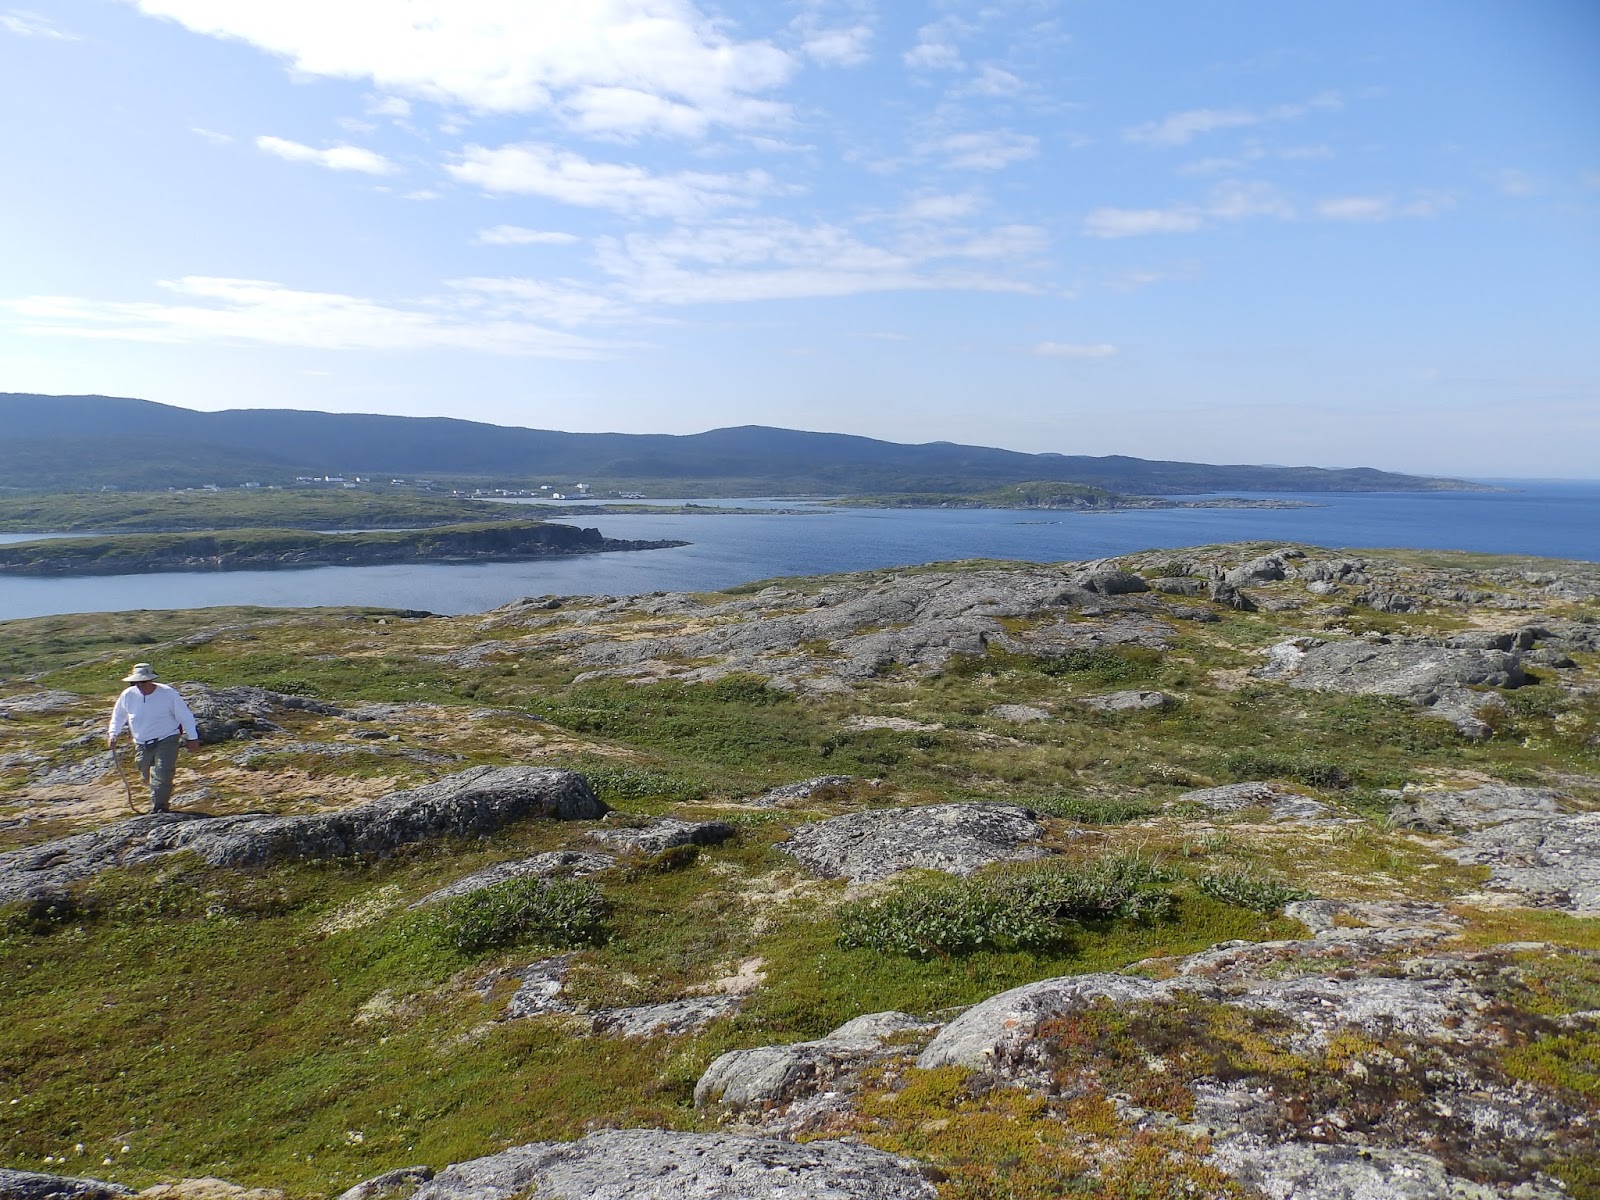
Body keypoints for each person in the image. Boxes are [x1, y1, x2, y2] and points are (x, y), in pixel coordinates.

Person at [107, 663, 200, 813]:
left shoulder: (168, 694)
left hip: (167, 738)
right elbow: (118, 716)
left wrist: (192, 737)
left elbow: (185, 716)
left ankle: (160, 805)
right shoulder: (128, 695)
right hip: (141, 742)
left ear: (151, 680)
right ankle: (158, 793)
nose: (139, 685)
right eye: (136, 682)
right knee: (145, 771)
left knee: (163, 771)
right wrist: (113, 734)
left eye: (143, 681)